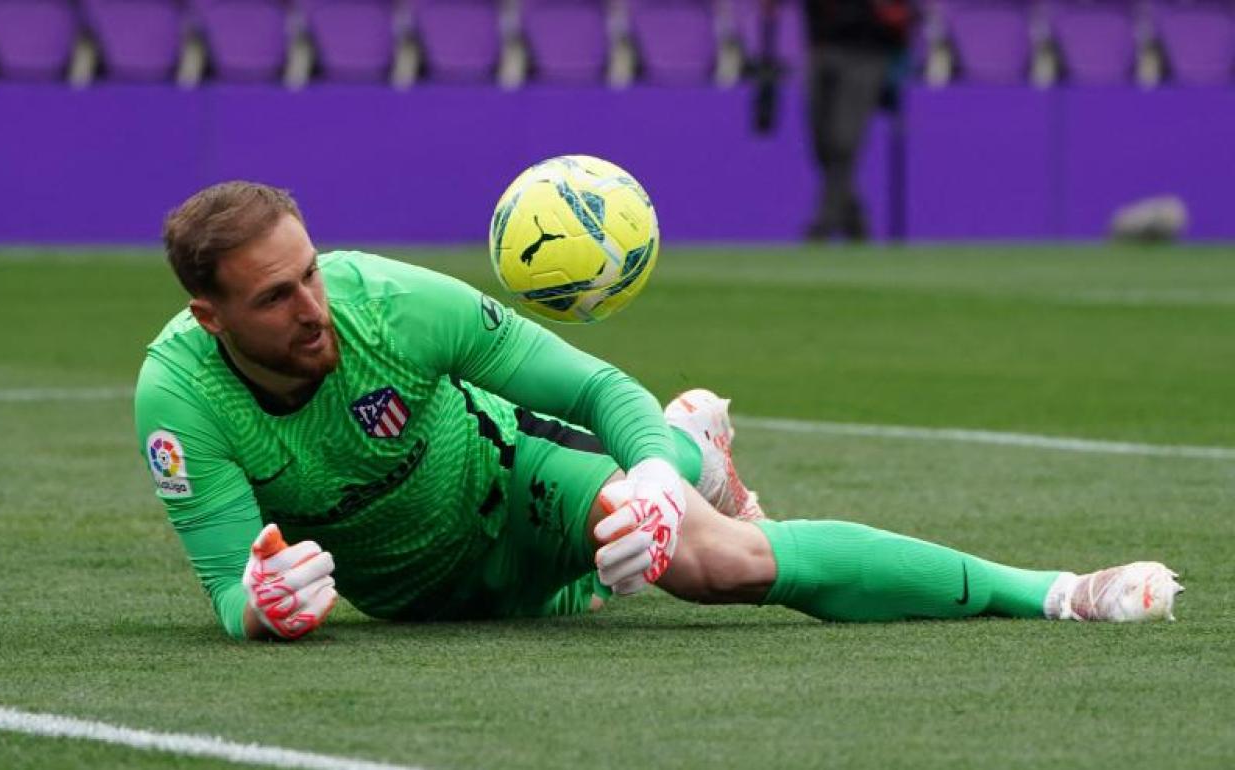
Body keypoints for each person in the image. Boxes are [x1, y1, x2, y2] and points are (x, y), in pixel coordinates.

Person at [134, 181, 1182, 641]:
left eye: (311, 272)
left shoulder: (391, 302)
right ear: (210, 312)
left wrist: (644, 481)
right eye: (275, 296)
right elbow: (233, 585)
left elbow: (592, 389)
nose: (313, 306)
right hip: (445, 605)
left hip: (517, 484)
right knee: (611, 582)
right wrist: (264, 607)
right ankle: (695, 440)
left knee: (718, 562)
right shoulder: (178, 398)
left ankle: (1053, 592)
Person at [779, 0, 915, 241]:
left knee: (844, 141)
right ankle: (855, 221)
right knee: (821, 147)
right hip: (821, 48)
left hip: (866, 52)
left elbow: (904, 14)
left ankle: (822, 224)